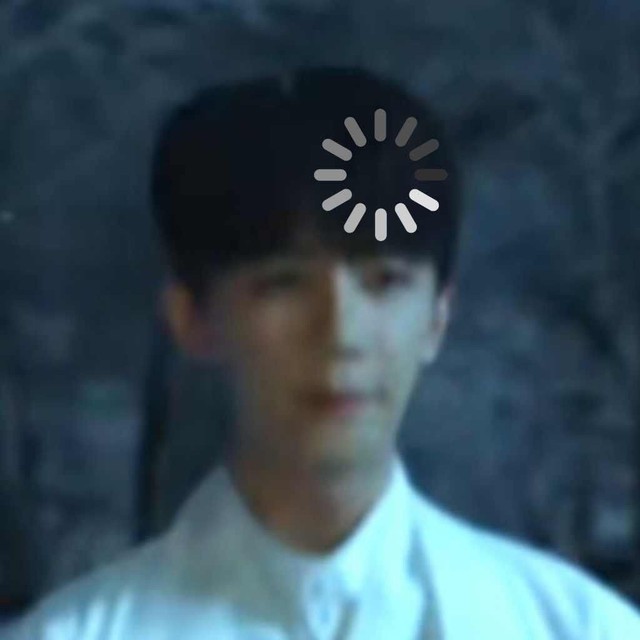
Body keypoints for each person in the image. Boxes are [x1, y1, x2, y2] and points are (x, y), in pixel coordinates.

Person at [6, 65, 640, 640]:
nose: (342, 333)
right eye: (283, 284)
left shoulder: (580, 628)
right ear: (192, 318)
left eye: (385, 282)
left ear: (437, 317)